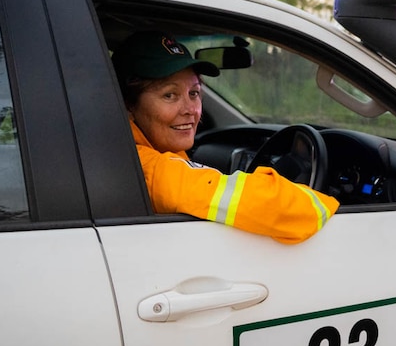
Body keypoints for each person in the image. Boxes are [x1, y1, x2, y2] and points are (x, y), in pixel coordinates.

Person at [111, 31, 338, 244]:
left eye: (194, 93)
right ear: (128, 105)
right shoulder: (147, 171)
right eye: (170, 95)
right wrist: (334, 204)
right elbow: (271, 204)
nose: (191, 109)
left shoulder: (144, 150)